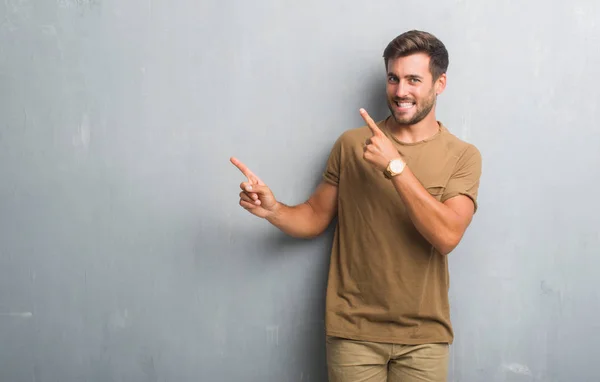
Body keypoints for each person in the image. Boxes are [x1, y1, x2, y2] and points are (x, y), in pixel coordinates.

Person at [230, 30, 482, 382]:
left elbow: (447, 236)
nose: (400, 91)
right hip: (353, 332)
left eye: (413, 80)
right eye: (393, 78)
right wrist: (273, 210)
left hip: (424, 337)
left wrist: (395, 167)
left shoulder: (463, 156)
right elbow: (315, 217)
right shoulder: (351, 145)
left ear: (440, 84)